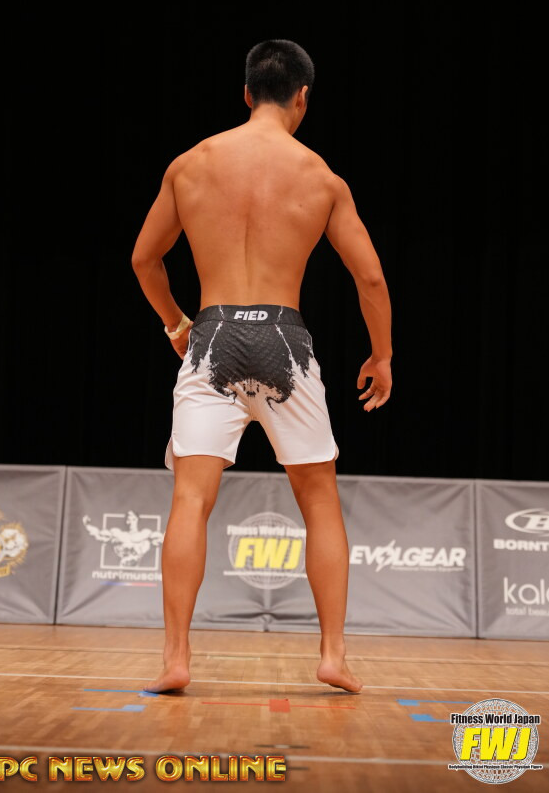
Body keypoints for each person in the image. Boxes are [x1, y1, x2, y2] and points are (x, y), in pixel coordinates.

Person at [132, 39, 392, 694]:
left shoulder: (191, 164)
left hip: (213, 336)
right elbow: (370, 278)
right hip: (285, 340)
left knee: (191, 499)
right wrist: (382, 354)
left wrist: (177, 324)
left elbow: (143, 259)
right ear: (302, 97)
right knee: (319, 501)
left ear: (246, 93)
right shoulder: (321, 177)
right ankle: (332, 656)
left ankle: (175, 659)